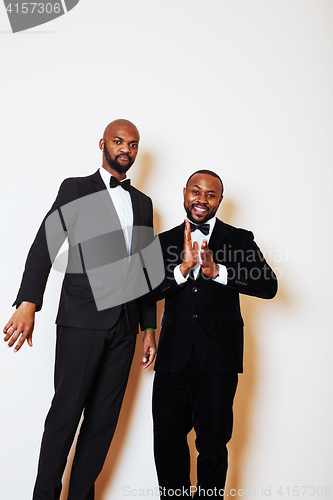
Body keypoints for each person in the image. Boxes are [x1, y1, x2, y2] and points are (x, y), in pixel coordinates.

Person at [3, 119, 157, 500]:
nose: (126, 149)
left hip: (125, 325)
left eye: (133, 144)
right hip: (82, 321)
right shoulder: (76, 188)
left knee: (103, 422)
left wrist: (149, 327)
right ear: (102, 143)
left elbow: (146, 267)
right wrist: (29, 303)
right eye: (119, 141)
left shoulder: (143, 202)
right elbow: (46, 244)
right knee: (65, 417)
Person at [150, 170, 278, 499]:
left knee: (212, 445)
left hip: (218, 359)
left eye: (210, 195)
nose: (201, 200)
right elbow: (142, 292)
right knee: (167, 442)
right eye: (196, 191)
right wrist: (179, 272)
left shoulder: (238, 240)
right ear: (184, 192)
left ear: (219, 200)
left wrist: (217, 272)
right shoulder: (164, 242)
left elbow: (268, 285)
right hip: (172, 358)